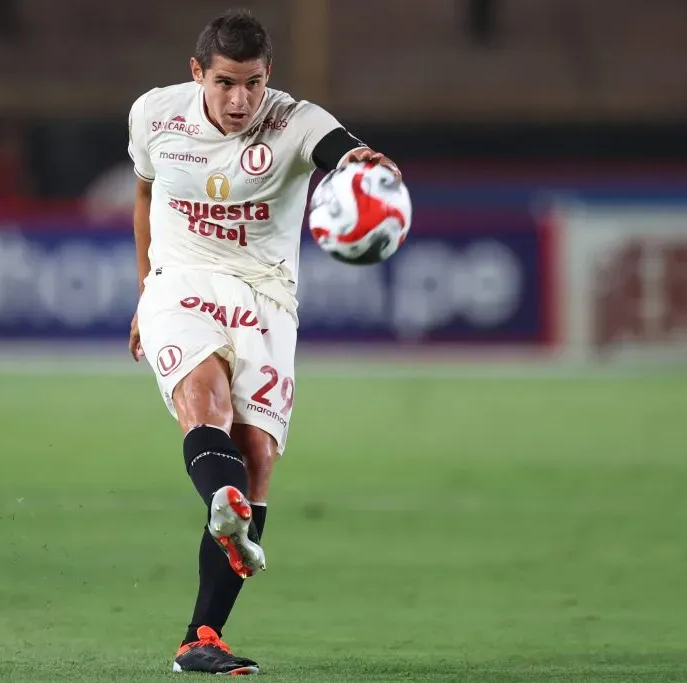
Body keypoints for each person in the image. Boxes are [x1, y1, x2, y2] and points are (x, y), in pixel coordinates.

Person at [127, 8, 400, 675]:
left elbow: (344, 150)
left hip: (266, 296)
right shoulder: (154, 116)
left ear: (267, 74)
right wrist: (143, 291)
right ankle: (225, 509)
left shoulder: (296, 121)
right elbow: (144, 194)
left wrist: (366, 166)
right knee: (203, 399)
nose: (240, 98)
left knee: (256, 457)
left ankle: (202, 636)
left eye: (251, 82)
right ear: (199, 74)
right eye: (225, 82)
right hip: (181, 278)